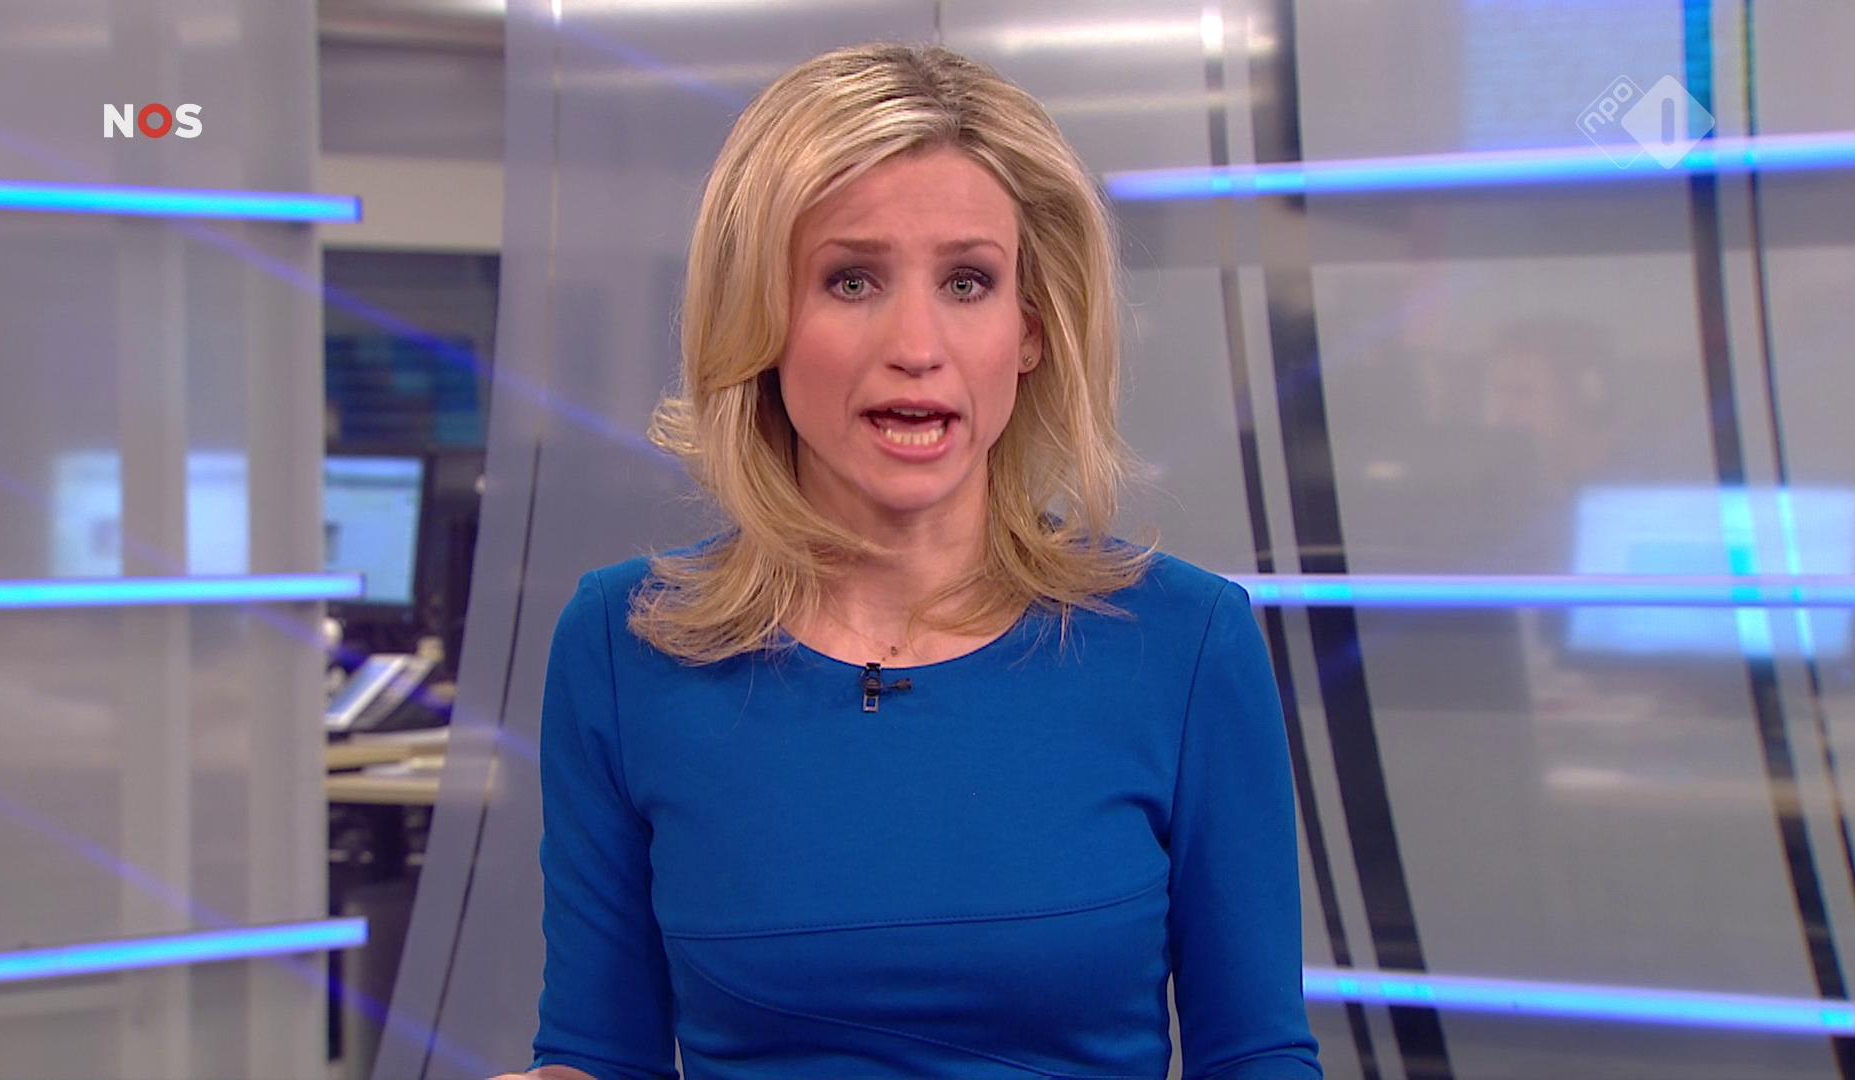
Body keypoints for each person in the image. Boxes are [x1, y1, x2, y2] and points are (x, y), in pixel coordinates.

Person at [491, 42, 1321, 1080]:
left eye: (968, 282)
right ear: (761, 320)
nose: (917, 344)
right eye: (852, 280)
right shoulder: (623, 646)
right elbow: (597, 1053)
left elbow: (1257, 1055)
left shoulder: (1186, 645)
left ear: (1029, 330)